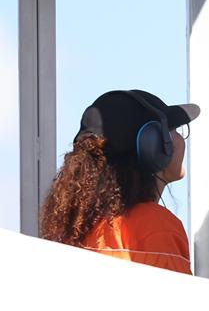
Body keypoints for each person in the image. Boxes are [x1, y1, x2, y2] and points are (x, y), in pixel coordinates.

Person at [40, 89, 199, 275]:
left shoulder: (75, 232)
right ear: (154, 145)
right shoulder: (155, 227)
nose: (181, 138)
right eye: (174, 129)